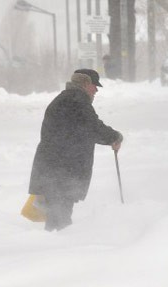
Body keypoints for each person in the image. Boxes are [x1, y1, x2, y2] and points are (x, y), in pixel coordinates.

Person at [28, 69, 123, 231]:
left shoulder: (64, 99)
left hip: (53, 169)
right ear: (86, 84)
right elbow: (93, 127)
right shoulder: (76, 101)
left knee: (57, 216)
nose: (96, 90)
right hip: (62, 170)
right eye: (95, 85)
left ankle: (56, 246)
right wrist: (114, 137)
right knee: (61, 219)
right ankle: (61, 250)